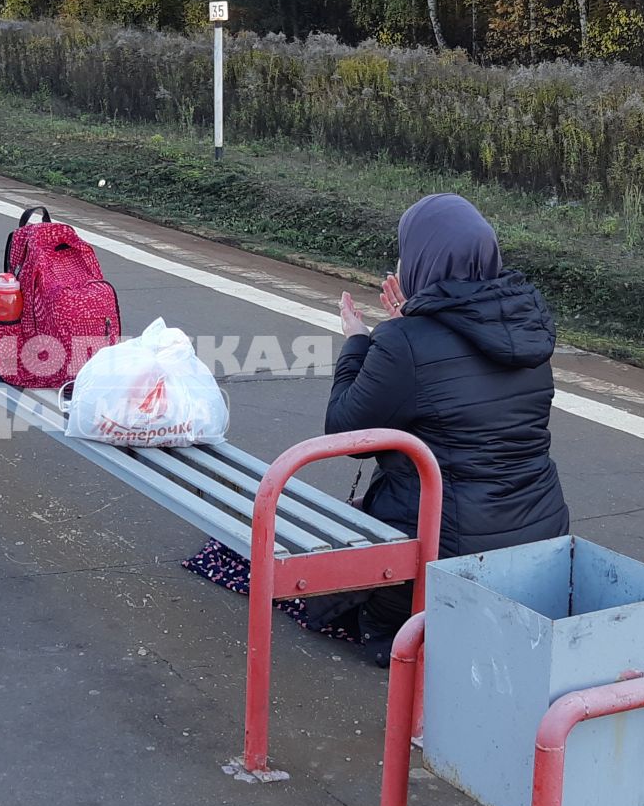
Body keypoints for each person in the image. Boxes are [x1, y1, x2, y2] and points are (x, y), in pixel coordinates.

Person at [185, 192, 569, 660]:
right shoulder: (527, 334)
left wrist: (359, 343)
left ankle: (385, 628)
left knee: (241, 554)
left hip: (435, 563)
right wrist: (407, 328)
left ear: (425, 261)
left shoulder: (405, 342)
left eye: (407, 253)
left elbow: (346, 430)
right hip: (535, 550)